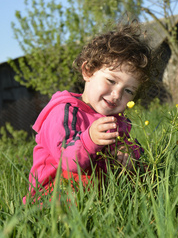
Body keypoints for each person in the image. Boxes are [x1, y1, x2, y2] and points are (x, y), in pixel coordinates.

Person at [23, 19, 153, 204]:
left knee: (144, 174)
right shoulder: (64, 111)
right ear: (88, 71)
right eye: (111, 81)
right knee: (78, 181)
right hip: (54, 194)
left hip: (96, 196)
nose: (116, 94)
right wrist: (89, 139)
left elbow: (131, 146)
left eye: (128, 91)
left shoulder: (115, 119)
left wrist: (129, 152)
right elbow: (66, 159)